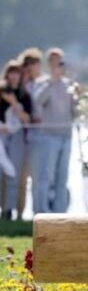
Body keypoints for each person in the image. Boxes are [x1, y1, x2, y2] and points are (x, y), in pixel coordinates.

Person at [34, 49, 78, 214]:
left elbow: (75, 111)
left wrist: (78, 97)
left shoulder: (69, 85)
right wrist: (53, 81)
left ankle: (60, 214)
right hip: (49, 136)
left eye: (59, 61)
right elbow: (39, 100)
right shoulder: (43, 82)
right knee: (45, 176)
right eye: (53, 61)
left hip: (66, 135)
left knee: (62, 178)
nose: (57, 64)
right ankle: (41, 212)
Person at [0, 60, 32, 219]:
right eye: (11, 72)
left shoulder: (24, 95)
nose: (14, 76)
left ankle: (9, 209)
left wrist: (13, 103)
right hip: (1, 136)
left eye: (16, 73)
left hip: (17, 136)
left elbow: (27, 118)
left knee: (14, 172)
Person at [16, 48, 42, 217]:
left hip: (40, 137)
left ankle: (38, 213)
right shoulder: (18, 86)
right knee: (20, 178)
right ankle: (18, 212)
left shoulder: (43, 83)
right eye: (26, 64)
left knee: (40, 178)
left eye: (33, 63)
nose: (30, 67)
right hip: (21, 136)